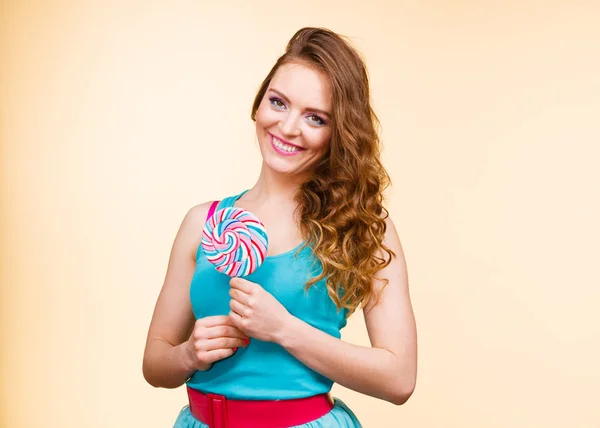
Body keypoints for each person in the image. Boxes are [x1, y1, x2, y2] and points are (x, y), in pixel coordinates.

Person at [142, 27, 417, 428]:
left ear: (338, 132)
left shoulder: (362, 228)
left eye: (315, 117)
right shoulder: (205, 222)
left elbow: (399, 379)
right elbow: (155, 364)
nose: (288, 128)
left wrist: (283, 328)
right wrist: (189, 354)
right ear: (259, 105)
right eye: (278, 102)